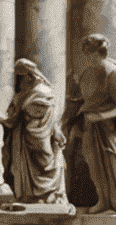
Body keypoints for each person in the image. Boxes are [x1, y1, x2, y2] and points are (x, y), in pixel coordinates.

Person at [64, 34, 116, 215]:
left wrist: (100, 116)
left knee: (112, 163)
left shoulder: (112, 72)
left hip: (109, 128)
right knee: (94, 165)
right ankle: (104, 200)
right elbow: (82, 101)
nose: (90, 55)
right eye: (87, 51)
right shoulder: (86, 74)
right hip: (90, 127)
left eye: (93, 51)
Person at [5, 59, 68, 205]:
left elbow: (16, 115)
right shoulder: (36, 91)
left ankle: (46, 196)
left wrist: (18, 107)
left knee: (45, 162)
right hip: (31, 135)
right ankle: (34, 195)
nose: (21, 81)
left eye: (22, 77)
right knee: (36, 164)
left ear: (28, 75)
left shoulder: (36, 92)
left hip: (38, 134)